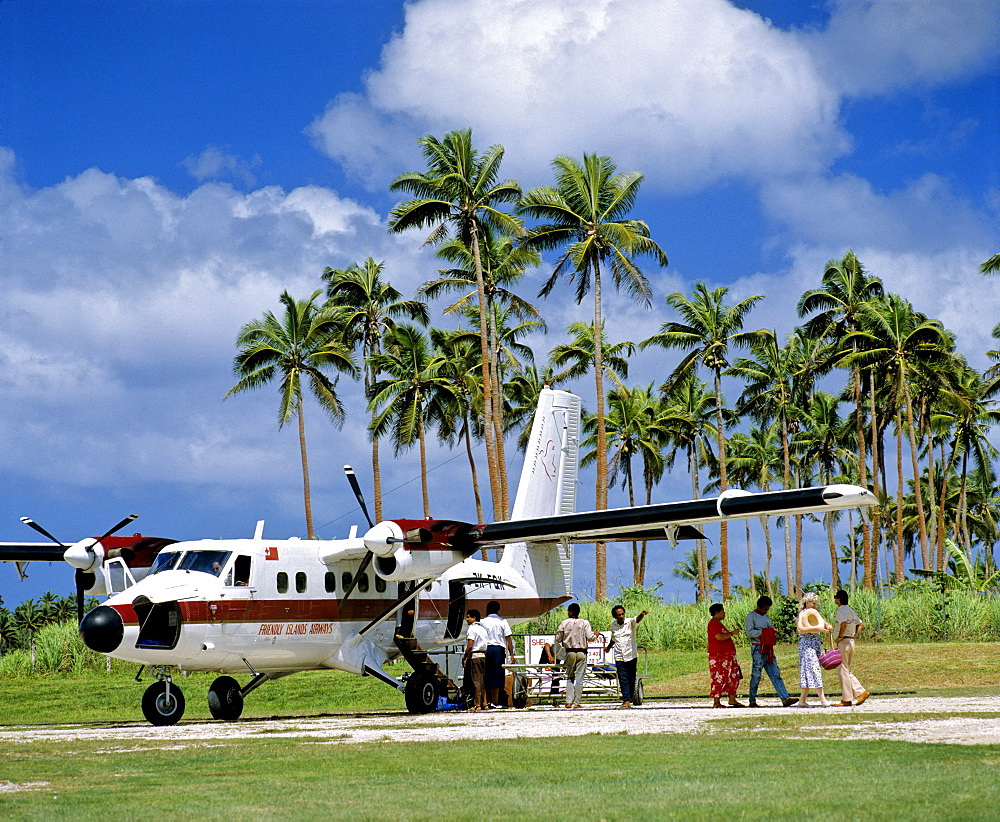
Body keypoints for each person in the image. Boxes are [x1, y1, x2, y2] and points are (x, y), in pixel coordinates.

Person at [744, 595, 798, 708]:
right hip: (758, 648)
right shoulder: (751, 616)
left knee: (775, 674)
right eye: (764, 609)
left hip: (768, 648)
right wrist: (763, 632)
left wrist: (773, 631)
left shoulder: (766, 616)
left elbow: (770, 628)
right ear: (759, 607)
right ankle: (752, 699)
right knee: (756, 675)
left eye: (767, 609)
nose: (765, 611)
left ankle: (785, 698)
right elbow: (749, 633)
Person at [555, 602, 598, 708]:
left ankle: (568, 701)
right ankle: (577, 702)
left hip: (570, 651)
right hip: (581, 652)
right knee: (579, 678)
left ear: (569, 612)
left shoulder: (564, 623)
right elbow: (590, 637)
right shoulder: (585, 623)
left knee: (570, 677)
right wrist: (595, 635)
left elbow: (558, 638)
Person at [605, 605, 648, 708]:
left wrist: (642, 614)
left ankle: (631, 697)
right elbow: (614, 638)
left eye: (622, 614)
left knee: (631, 677)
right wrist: (608, 647)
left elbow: (637, 619)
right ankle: (626, 700)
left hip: (631, 655)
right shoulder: (614, 625)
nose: (621, 616)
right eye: (618, 615)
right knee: (623, 678)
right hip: (619, 655)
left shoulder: (630, 623)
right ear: (615, 616)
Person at [833, 589, 870, 706]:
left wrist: (840, 636)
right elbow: (860, 624)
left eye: (835, 597)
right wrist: (853, 635)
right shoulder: (851, 610)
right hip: (851, 641)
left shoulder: (841, 611)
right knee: (846, 669)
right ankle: (857, 693)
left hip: (844, 641)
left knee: (842, 670)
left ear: (838, 599)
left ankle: (849, 698)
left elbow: (843, 624)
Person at [796, 592, 832, 707]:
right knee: (814, 669)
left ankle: (802, 701)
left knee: (809, 670)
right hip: (807, 644)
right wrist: (816, 628)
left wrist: (827, 625)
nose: (815, 606)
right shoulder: (802, 613)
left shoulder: (814, 613)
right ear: (807, 603)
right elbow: (800, 629)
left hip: (814, 643)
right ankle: (823, 700)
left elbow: (822, 621)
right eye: (813, 603)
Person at [707, 603, 744, 708]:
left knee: (733, 676)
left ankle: (732, 699)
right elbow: (719, 637)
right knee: (720, 676)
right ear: (717, 612)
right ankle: (716, 702)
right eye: (723, 611)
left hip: (728, 655)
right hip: (719, 656)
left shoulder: (719, 624)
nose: (724, 613)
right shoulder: (713, 624)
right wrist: (732, 633)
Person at [482, 600, 516, 708]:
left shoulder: (483, 622)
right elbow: (508, 638)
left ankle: (486, 701)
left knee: (486, 675)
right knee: (497, 675)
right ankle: (495, 702)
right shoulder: (502, 621)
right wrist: (512, 654)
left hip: (486, 649)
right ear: (498, 609)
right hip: (498, 650)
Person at [462, 609, 489, 711]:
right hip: (483, 655)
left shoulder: (472, 629)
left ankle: (477, 704)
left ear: (474, 618)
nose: (467, 619)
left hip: (475, 656)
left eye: (468, 617)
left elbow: (470, 646)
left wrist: (465, 657)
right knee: (482, 681)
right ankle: (485, 703)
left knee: (476, 681)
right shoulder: (483, 629)